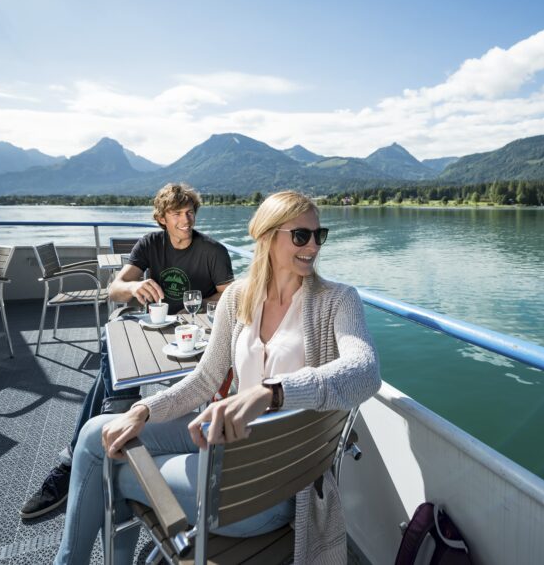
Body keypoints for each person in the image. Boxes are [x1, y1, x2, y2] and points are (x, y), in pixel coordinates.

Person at [54, 191, 381, 564]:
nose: (313, 247)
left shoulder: (338, 300)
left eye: (318, 236)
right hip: (224, 440)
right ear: (267, 237)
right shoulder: (238, 296)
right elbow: (206, 379)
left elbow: (365, 371)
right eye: (301, 236)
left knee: (115, 470)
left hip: (271, 485)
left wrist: (269, 393)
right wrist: (143, 409)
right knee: (97, 432)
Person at [20, 183, 234, 519]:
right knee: (115, 350)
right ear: (161, 218)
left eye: (190, 211)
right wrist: (134, 286)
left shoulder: (213, 251)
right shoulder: (150, 244)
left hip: (195, 338)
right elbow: (115, 290)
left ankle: (75, 457)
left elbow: (229, 296)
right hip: (154, 329)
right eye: (177, 213)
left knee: (112, 375)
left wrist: (198, 304)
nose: (186, 218)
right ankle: (109, 434)